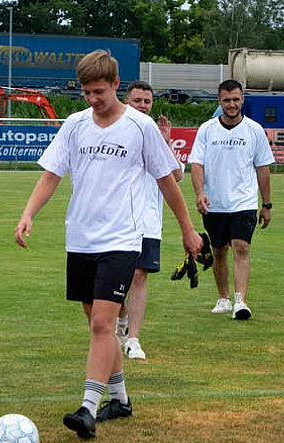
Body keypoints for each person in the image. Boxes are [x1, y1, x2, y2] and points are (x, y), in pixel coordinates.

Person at [14, 51, 202, 439]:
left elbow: (167, 180)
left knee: (103, 323)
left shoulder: (141, 126)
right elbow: (52, 175)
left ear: (116, 84)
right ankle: (120, 399)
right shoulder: (75, 125)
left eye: (98, 91)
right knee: (97, 327)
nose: (92, 99)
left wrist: (187, 229)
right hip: (80, 238)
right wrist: (28, 213)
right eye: (86, 92)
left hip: (121, 238)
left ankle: (87, 407)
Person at [188, 79, 275, 320]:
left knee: (241, 247)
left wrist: (266, 204)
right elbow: (197, 164)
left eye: (236, 99)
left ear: (242, 100)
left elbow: (262, 168)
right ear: (219, 101)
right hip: (214, 202)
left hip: (244, 202)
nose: (232, 104)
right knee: (218, 250)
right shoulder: (207, 129)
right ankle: (223, 297)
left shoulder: (254, 130)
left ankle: (240, 300)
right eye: (227, 100)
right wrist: (199, 193)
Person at [114, 80, 183, 360]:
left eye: (147, 101)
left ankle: (134, 338)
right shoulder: (116, 131)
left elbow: (176, 176)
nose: (143, 105)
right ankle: (120, 322)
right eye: (137, 100)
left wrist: (165, 143)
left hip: (149, 221)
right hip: (117, 220)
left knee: (140, 276)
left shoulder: (155, 136)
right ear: (126, 101)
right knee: (117, 279)